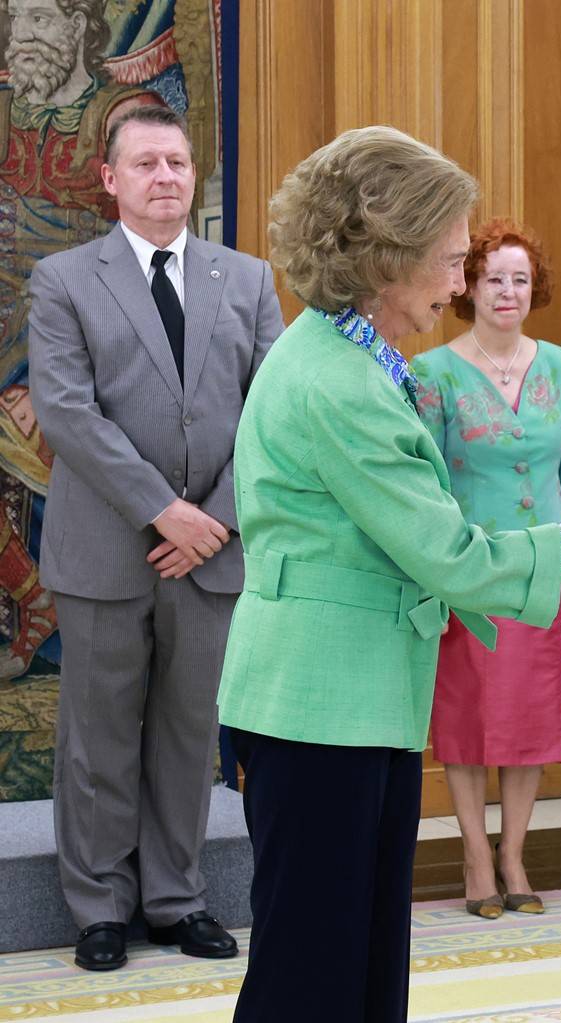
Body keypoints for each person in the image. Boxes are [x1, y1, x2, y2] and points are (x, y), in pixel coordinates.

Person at [216, 126, 561, 1023]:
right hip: (321, 707)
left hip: (351, 701)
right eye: (447, 258)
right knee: (311, 978)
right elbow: (452, 554)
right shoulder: (340, 384)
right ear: (383, 259)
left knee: (354, 967)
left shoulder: (349, 355)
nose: (460, 281)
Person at [27, 104, 283, 971]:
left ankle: (175, 900)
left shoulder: (246, 280)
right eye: (146, 163)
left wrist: (213, 518)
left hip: (215, 548)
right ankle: (98, 906)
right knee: (98, 736)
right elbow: (64, 410)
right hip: (106, 551)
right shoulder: (63, 280)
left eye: (177, 161)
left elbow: (274, 415)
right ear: (111, 179)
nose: (165, 176)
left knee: (188, 731)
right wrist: (161, 510)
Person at [413, 218, 561, 918]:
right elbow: (425, 483)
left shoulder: (560, 365)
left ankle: (514, 854)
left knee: (527, 720)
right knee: (467, 720)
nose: (508, 291)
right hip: (469, 575)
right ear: (467, 284)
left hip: (547, 569)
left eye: (520, 279)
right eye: (494, 277)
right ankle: (472, 856)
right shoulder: (431, 372)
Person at [0, 0, 163, 680]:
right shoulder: (8, 109)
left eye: (39, 21)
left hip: (84, 335)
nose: (21, 38)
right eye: (14, 24)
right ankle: (35, 605)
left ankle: (46, 611)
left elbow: (146, 254)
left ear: (78, 28)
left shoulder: (123, 117)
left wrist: (47, 377)